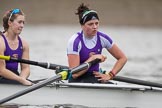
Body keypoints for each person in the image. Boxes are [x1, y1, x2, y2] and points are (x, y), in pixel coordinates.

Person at [67, 3, 127, 83]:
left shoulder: (103, 38)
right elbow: (75, 73)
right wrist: (93, 59)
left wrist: (110, 75)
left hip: (95, 77)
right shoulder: (75, 41)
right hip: (77, 79)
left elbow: (122, 58)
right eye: (90, 24)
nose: (95, 27)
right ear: (82, 25)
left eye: (96, 23)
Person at [0, 8, 32, 85]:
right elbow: (1, 70)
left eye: (23, 23)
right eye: (19, 22)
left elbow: (26, 68)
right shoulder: (1, 42)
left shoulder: (24, 44)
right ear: (10, 23)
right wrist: (21, 81)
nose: (22, 26)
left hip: (15, 77)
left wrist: (22, 79)